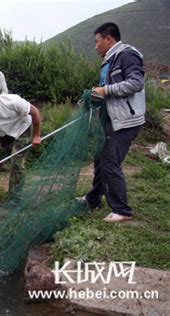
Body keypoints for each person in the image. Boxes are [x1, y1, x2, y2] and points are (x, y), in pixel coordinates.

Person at [77, 22, 146, 223]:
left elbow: (136, 83)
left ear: (109, 39)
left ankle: (122, 210)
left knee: (109, 161)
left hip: (126, 120)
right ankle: (93, 199)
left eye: (97, 42)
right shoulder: (109, 60)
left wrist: (106, 91)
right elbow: (112, 91)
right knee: (100, 158)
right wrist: (98, 95)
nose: (95, 46)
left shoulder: (127, 55)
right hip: (112, 119)